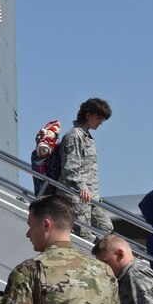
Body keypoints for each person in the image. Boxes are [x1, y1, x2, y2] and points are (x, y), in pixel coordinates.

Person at [53, 98, 111, 233]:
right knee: (84, 234)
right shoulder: (74, 136)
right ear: (88, 115)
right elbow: (70, 168)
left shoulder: (87, 137)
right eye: (98, 118)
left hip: (91, 196)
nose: (100, 122)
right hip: (78, 196)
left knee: (107, 230)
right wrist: (82, 187)